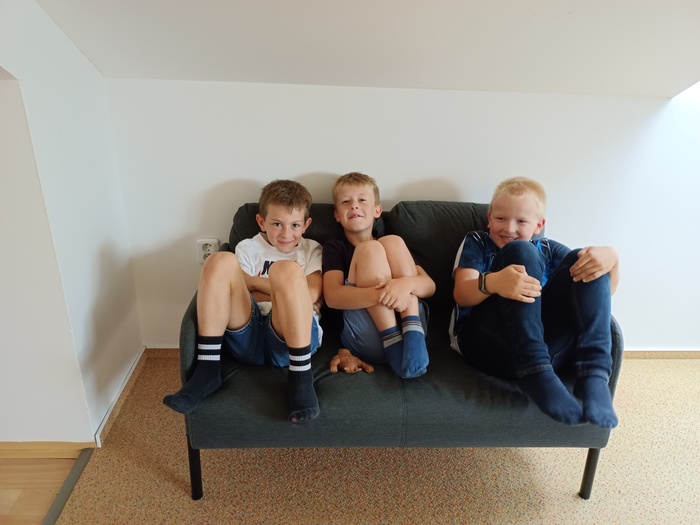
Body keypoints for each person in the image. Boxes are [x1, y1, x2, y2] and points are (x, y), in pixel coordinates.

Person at [450, 176, 620, 428]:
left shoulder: (549, 249)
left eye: (521, 221)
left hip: (545, 347)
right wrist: (494, 282)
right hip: (485, 342)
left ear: (539, 225)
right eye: (500, 218)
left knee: (583, 258)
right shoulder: (477, 241)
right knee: (521, 251)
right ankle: (534, 369)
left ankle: (594, 373)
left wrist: (612, 259)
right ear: (489, 218)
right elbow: (461, 294)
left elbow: (598, 296)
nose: (509, 228)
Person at [163, 179, 323, 424]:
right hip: (248, 334)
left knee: (287, 270)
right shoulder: (248, 248)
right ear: (261, 222)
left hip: (291, 340)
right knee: (219, 260)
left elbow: (311, 294)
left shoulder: (311, 249)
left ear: (306, 225)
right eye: (277, 224)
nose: (286, 234)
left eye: (294, 225)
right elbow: (239, 292)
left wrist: (257, 282)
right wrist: (288, 294)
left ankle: (301, 377)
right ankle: (207, 371)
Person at [322, 172, 436, 378]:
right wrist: (386, 294)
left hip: (412, 333)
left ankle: (412, 331)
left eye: (362, 200)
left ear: (377, 210)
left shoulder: (393, 245)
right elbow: (332, 297)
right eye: (346, 202)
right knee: (369, 249)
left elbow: (429, 286)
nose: (354, 206)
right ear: (337, 215)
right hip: (368, 338)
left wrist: (404, 285)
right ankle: (392, 340)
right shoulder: (335, 247)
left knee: (393, 241)